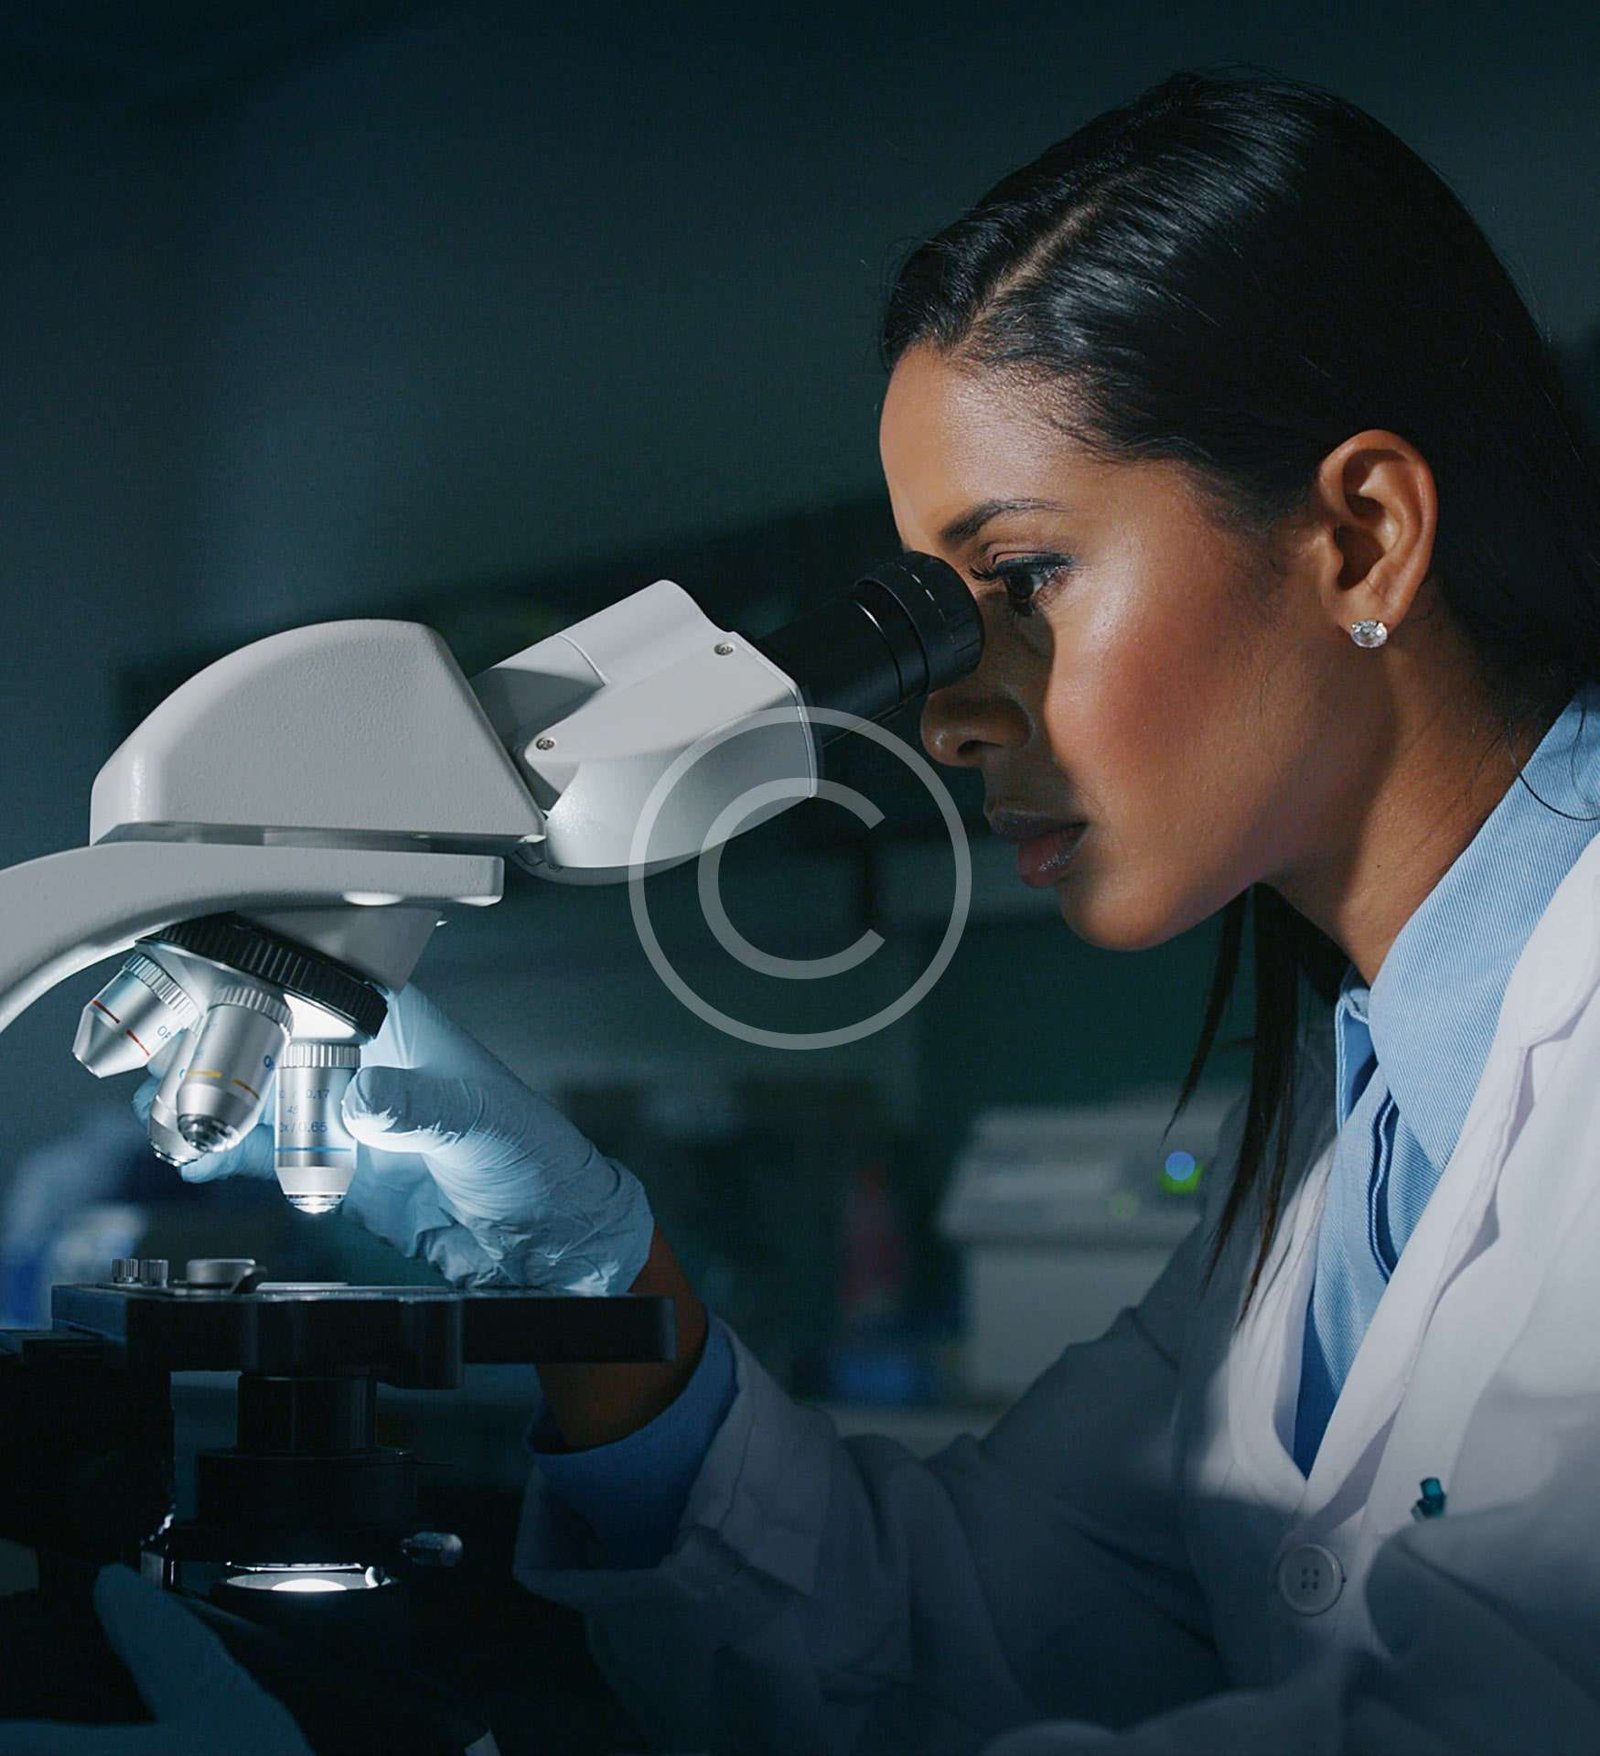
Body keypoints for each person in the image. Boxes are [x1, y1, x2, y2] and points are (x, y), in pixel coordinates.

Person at [21, 62, 1600, 1754]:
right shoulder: (1349, 1157)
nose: (952, 711)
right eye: (939, 609)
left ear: (1359, 537)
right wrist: (601, 1269)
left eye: (1026, 579)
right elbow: (929, 1636)